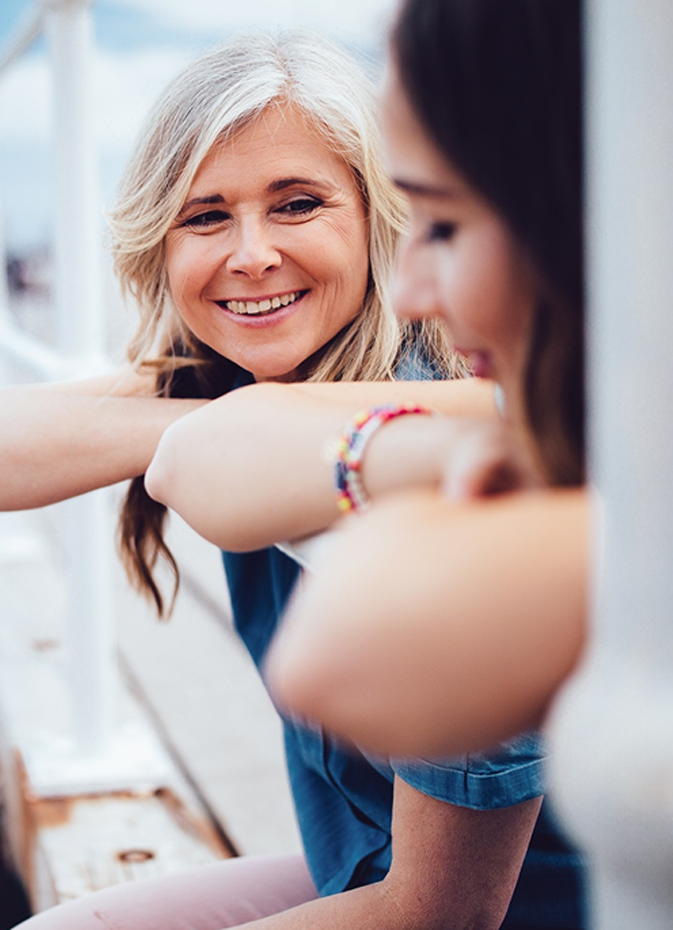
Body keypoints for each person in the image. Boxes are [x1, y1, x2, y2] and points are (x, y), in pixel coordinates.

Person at [0, 29, 584, 930]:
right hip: (358, 867)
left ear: (379, 217)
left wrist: (274, 437)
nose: (251, 254)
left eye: (298, 204)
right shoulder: (250, 380)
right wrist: (235, 421)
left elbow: (445, 912)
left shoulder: (433, 435)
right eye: (206, 215)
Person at [149, 0, 589, 763]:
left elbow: (332, 666)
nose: (251, 255)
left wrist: (422, 448)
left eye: (445, 225)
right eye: (205, 216)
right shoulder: (233, 371)